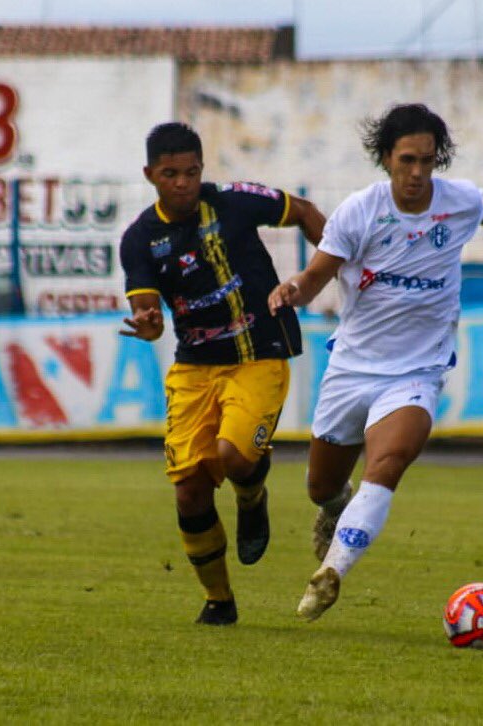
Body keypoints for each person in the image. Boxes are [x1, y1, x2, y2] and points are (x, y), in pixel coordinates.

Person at [267, 103, 483, 622]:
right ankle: (332, 508)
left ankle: (332, 572)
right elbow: (318, 274)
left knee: (388, 464)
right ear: (386, 157)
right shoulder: (358, 211)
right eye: (407, 160)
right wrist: (294, 288)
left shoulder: (456, 203)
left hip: (417, 371)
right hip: (351, 368)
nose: (417, 173)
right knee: (321, 485)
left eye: (428, 162)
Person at [120, 122, 325, 625]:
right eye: (170, 174)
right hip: (194, 367)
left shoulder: (235, 200)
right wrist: (149, 326)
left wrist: (334, 267)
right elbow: (147, 311)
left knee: (232, 456)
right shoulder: (140, 240)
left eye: (191, 172)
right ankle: (219, 601)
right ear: (150, 175)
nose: (183, 183)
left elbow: (304, 213)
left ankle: (252, 495)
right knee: (188, 486)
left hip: (260, 351)